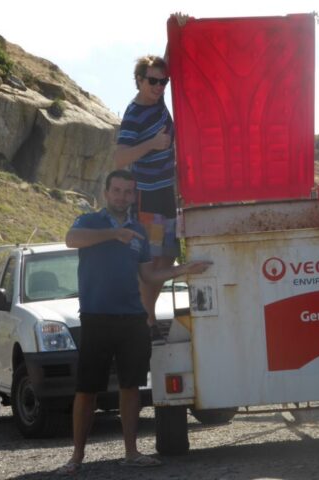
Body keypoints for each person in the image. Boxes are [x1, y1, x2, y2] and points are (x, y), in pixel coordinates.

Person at [56, 170, 211, 475]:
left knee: (131, 387)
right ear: (106, 192)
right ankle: (76, 458)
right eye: (117, 190)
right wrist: (114, 234)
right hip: (96, 317)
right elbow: (71, 240)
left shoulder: (139, 229)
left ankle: (131, 452)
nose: (122, 196)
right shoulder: (89, 222)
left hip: (133, 319)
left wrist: (183, 270)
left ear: (134, 196)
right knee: (87, 389)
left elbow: (148, 275)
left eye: (128, 192)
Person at [113, 54, 178, 344]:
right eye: (153, 81)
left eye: (164, 82)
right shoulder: (134, 114)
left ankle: (147, 319)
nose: (159, 87)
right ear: (139, 80)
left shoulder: (159, 100)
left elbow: (168, 53)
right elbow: (120, 158)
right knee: (151, 264)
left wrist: (179, 29)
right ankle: (146, 322)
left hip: (167, 192)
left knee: (168, 257)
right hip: (147, 196)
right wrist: (152, 143)